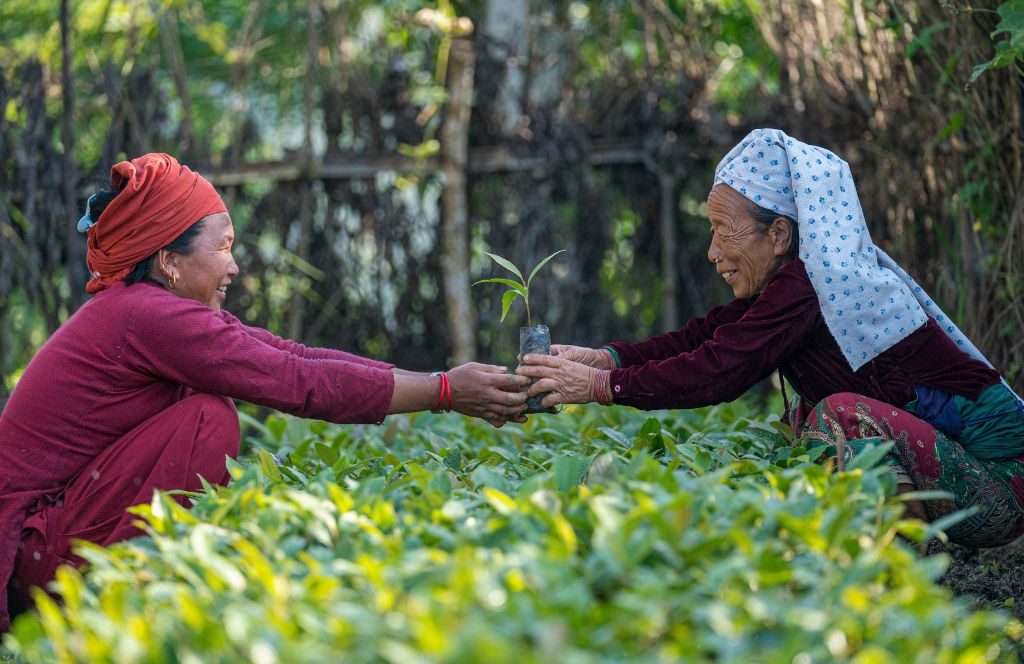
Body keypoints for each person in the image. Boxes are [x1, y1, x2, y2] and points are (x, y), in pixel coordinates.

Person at [0, 153, 529, 629]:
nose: (233, 266)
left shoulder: (147, 310)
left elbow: (291, 356)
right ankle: (95, 601)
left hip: (44, 537)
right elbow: (297, 382)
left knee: (210, 408)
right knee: (208, 419)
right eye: (223, 248)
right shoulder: (146, 315)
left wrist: (443, 383)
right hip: (30, 553)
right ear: (168, 261)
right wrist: (443, 393)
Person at [519, 128, 1024, 549]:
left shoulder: (808, 288)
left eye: (725, 231)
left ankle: (903, 575)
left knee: (841, 415)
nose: (713, 252)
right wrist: (604, 359)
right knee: (803, 424)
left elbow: (720, 369)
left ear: (779, 235)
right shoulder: (804, 282)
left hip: (1001, 489)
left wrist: (601, 386)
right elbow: (707, 336)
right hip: (968, 482)